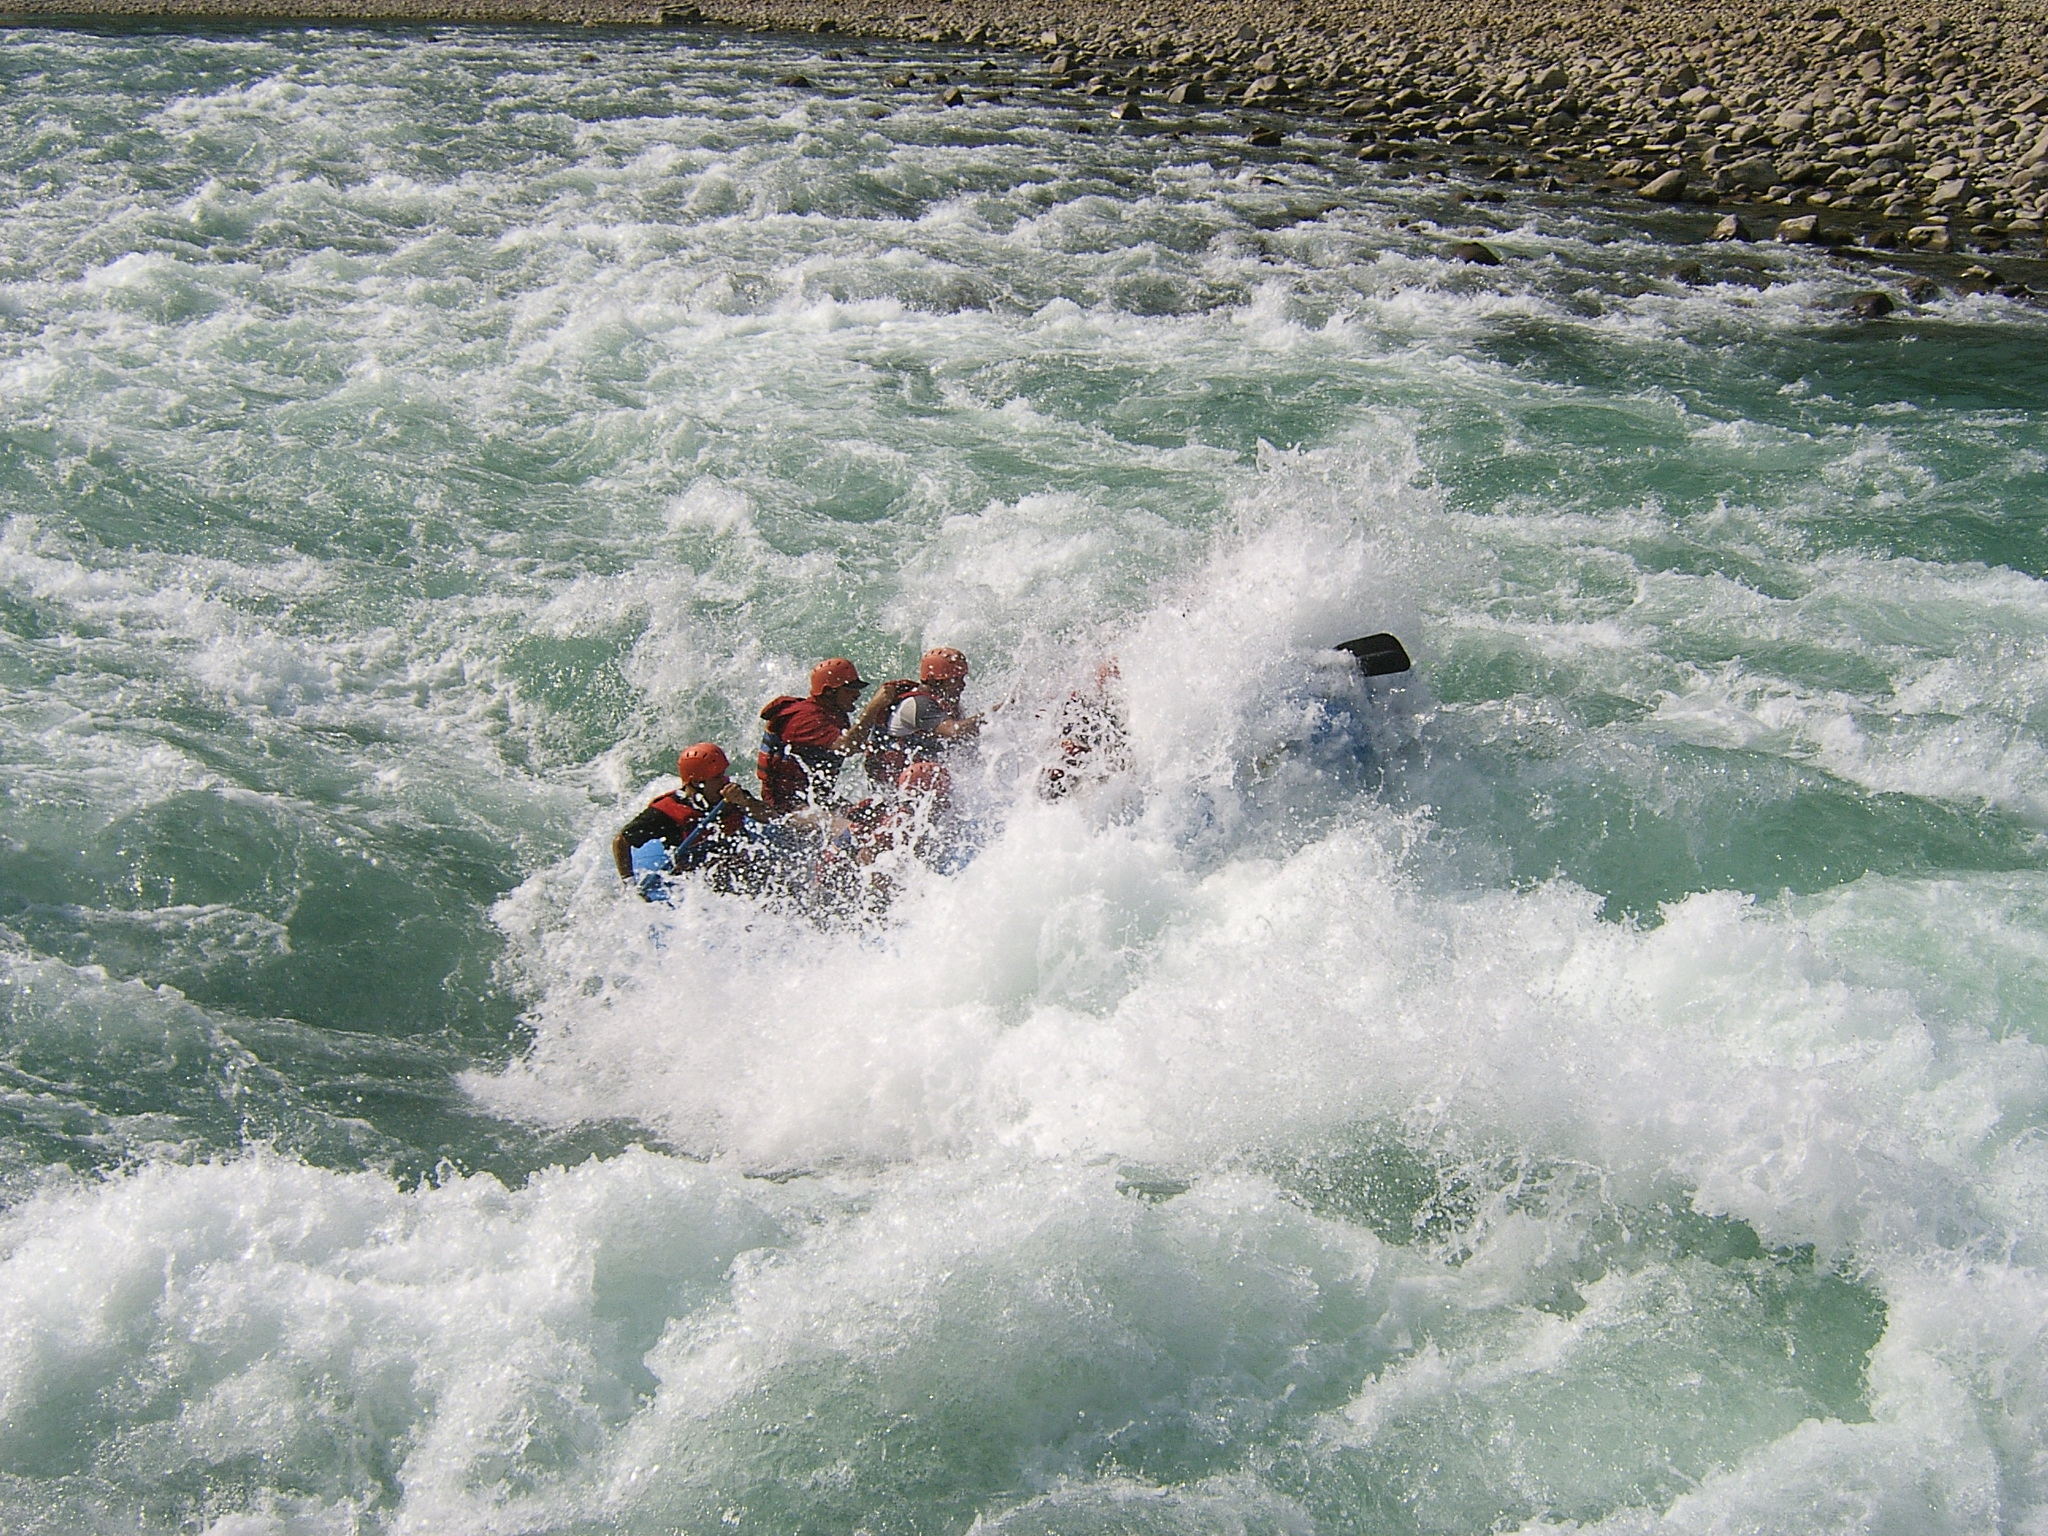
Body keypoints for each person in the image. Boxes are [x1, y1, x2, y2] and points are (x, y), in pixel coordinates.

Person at [612, 742, 771, 901]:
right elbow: (621, 841)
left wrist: (745, 802)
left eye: (724, 774)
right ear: (696, 783)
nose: (725, 780)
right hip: (700, 880)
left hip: (741, 866)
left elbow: (770, 817)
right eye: (717, 777)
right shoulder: (665, 812)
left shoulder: (731, 795)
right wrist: (629, 885)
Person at [756, 658, 910, 815]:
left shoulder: (834, 714)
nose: (857, 694)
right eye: (850, 689)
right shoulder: (804, 719)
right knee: (853, 831)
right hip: (786, 810)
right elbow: (848, 746)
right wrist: (873, 707)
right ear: (829, 691)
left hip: (817, 800)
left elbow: (857, 745)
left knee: (878, 813)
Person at [865, 646, 982, 787]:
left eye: (962, 678)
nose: (962, 685)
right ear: (933, 681)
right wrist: (999, 711)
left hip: (913, 782)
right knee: (925, 772)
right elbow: (954, 731)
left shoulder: (944, 703)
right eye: (955, 679)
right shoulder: (920, 705)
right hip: (899, 787)